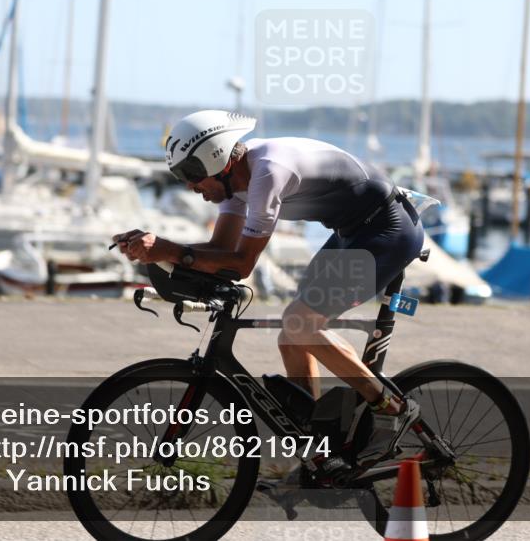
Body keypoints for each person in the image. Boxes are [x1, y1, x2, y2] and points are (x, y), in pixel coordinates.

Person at [113, 110, 424, 467]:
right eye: (182, 176)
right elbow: (220, 250)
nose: (190, 186)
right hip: (353, 231)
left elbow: (242, 264)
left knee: (300, 323)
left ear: (216, 159)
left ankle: (392, 408)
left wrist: (168, 250)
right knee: (291, 337)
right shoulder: (234, 183)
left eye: (192, 175)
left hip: (388, 230)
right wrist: (157, 252)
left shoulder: (268, 173)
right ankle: (318, 454)